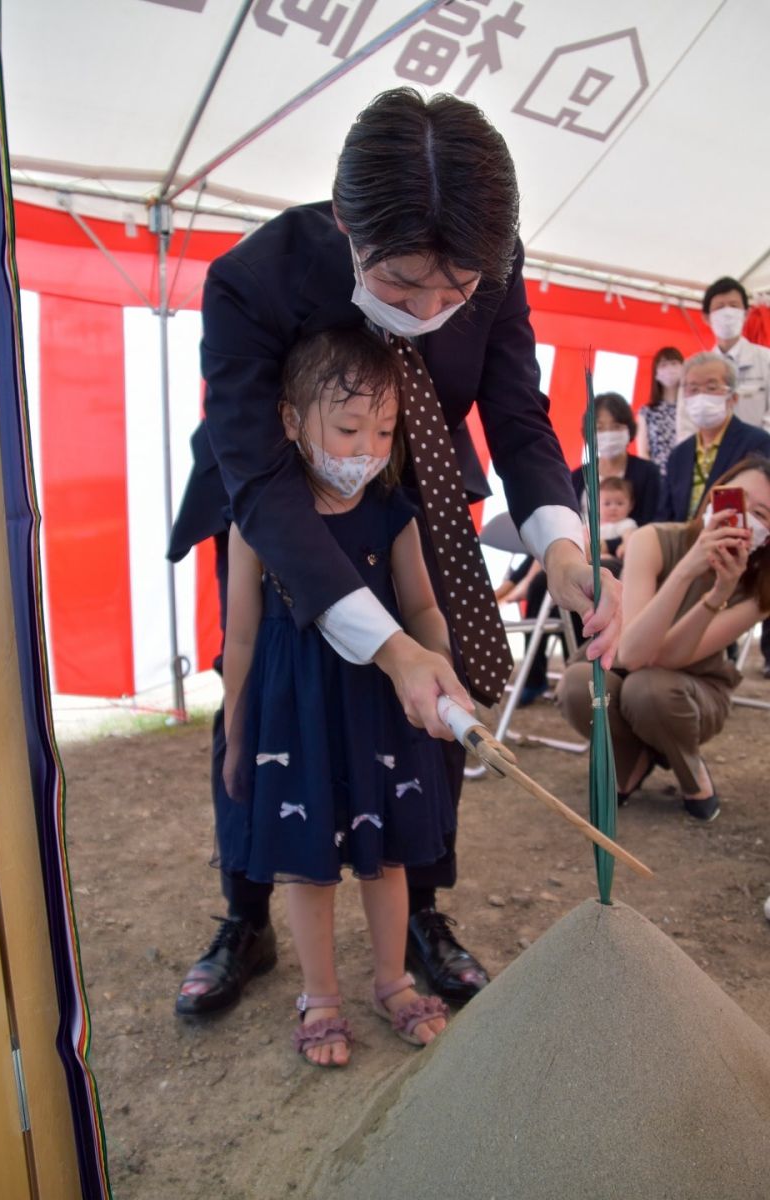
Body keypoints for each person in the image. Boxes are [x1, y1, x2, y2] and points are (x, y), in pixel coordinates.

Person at [175, 87, 621, 1018]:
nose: (430, 310)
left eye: (453, 294)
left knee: (429, 696)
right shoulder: (252, 281)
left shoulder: (491, 267)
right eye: (402, 286)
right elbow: (258, 480)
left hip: (413, 494)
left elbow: (518, 419)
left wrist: (567, 552)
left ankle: (422, 908)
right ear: (346, 225)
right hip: (277, 503)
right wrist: (383, 642)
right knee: (261, 698)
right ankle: (244, 916)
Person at [221, 326, 452, 1066]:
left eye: (384, 431)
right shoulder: (259, 519)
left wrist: (439, 671)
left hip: (379, 703)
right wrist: (234, 730)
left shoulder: (394, 514)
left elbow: (418, 611)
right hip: (297, 713)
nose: (365, 449)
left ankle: (391, 980)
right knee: (307, 857)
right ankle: (320, 994)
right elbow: (243, 636)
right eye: (349, 427)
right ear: (292, 420)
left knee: (386, 857)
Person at [558, 457, 770, 822]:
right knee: (580, 685)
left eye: (762, 514)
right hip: (625, 670)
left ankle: (690, 769)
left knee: (650, 690)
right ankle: (631, 757)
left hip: (691, 689)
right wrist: (688, 568)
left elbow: (667, 659)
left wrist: (719, 592)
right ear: (715, 496)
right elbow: (632, 651)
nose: (743, 517)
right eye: (737, 500)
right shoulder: (652, 538)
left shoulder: (759, 589)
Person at [516, 393, 660, 706]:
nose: (607, 433)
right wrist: (521, 576)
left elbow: (652, 528)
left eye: (615, 425)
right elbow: (554, 528)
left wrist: (606, 548)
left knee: (603, 580)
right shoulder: (575, 475)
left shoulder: (646, 475)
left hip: (624, 560)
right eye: (599, 426)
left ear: (629, 430)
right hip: (578, 558)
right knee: (542, 583)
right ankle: (534, 675)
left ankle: (583, 671)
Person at [659, 354, 770, 523]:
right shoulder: (678, 455)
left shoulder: (757, 444)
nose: (701, 396)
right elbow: (664, 516)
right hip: (683, 546)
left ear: (733, 398)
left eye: (711, 388)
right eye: (693, 389)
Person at [677, 277, 770, 441]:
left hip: (758, 459)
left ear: (746, 313)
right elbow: (686, 425)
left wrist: (755, 457)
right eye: (720, 307)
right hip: (709, 460)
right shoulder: (694, 369)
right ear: (706, 317)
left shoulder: (766, 360)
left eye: (734, 306)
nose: (727, 313)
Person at [636, 346, 683, 476]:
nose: (669, 369)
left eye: (674, 363)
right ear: (656, 373)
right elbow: (643, 452)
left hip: (687, 475)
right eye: (663, 365)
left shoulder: (691, 409)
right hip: (657, 478)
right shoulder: (646, 412)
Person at [598, 476, 637, 560]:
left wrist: (625, 545)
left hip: (614, 558)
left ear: (630, 506)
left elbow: (629, 536)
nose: (613, 508)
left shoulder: (626, 523)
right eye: (607, 504)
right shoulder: (593, 525)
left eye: (619, 503)